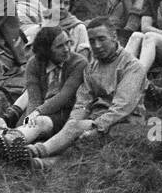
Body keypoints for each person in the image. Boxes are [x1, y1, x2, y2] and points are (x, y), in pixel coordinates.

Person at [24, 18, 147, 169]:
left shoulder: (132, 66)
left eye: (102, 39)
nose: (97, 46)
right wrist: (73, 122)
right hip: (95, 118)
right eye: (92, 40)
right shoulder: (92, 66)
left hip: (124, 123)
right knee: (75, 132)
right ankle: (39, 163)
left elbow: (122, 107)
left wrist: (95, 127)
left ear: (114, 36)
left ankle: (35, 152)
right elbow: (83, 101)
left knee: (81, 136)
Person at [0, 26, 88, 157]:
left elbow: (64, 96)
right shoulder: (34, 63)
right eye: (59, 46)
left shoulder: (79, 63)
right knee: (33, 122)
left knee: (41, 122)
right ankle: (6, 142)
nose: (66, 49)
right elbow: (34, 97)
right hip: (41, 110)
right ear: (47, 50)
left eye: (68, 42)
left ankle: (5, 142)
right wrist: (30, 118)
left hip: (65, 113)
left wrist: (37, 113)